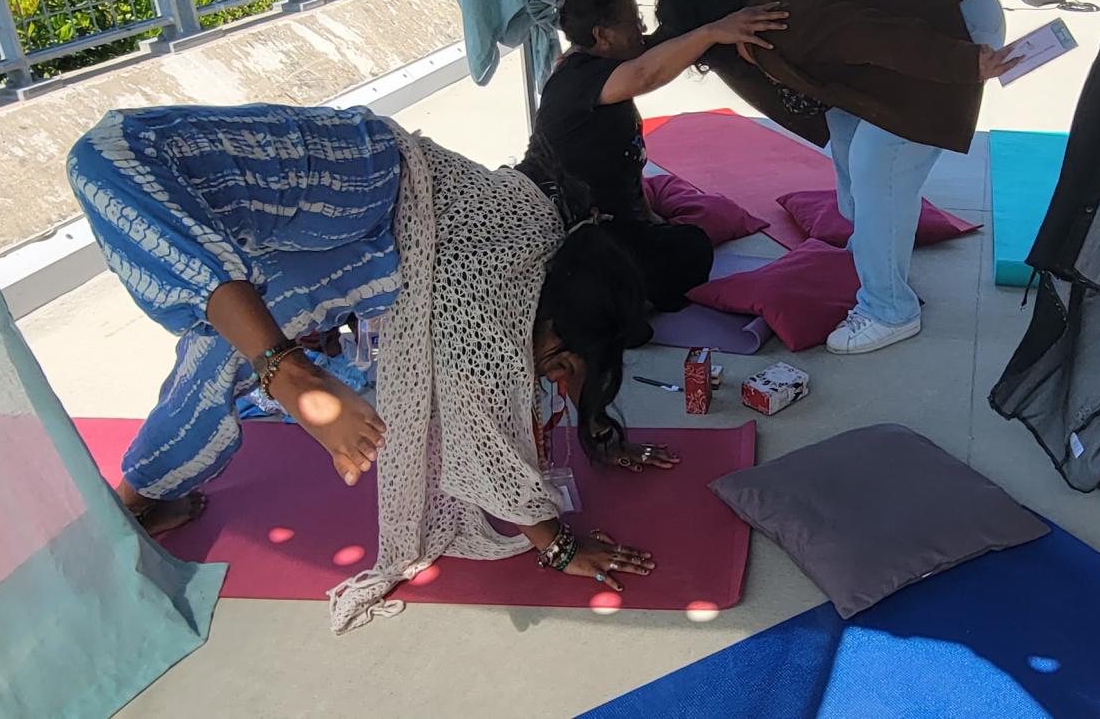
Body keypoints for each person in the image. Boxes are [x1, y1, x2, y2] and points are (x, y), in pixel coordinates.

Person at [68, 104, 670, 631]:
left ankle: (140, 496)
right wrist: (559, 547)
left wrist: (599, 432)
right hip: (362, 181)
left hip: (366, 213)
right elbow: (477, 415)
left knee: (218, 345)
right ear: (562, 333)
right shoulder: (501, 281)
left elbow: (505, 387)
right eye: (562, 369)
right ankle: (287, 371)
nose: (552, 382)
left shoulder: (537, 250)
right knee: (109, 162)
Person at [654, 0, 1014, 355]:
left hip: (955, 19)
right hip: (932, 10)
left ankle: (890, 309)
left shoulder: (786, 24)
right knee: (847, 132)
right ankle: (875, 251)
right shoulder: (748, 20)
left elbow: (877, 37)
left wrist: (964, 62)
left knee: (880, 165)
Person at [520, 0, 787, 311]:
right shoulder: (578, 79)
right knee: (689, 250)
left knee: (681, 241)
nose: (641, 30)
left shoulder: (598, 60)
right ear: (603, 35)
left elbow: (658, 51)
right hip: (564, 227)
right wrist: (714, 31)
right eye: (632, 21)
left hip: (607, 216)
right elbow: (646, 74)